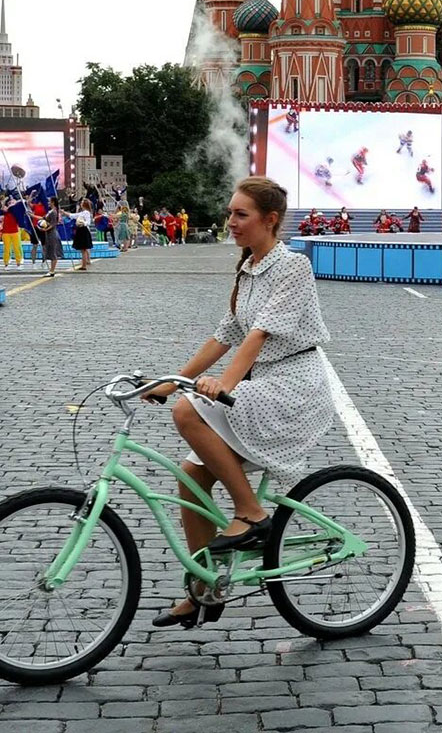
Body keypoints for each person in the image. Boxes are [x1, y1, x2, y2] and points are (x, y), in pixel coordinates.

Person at [144, 177, 336, 629]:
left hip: (294, 385)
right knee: (190, 477)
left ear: (270, 221)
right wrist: (173, 380)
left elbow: (259, 334)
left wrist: (221, 385)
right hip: (264, 383)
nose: (230, 222)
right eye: (230, 213)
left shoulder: (292, 266)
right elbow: (224, 334)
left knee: (189, 412)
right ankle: (205, 589)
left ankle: (251, 514)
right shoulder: (248, 269)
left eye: (241, 214)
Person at [72, 199, 96, 271]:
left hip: (83, 230)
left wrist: (82, 223)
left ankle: (84, 264)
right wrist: (65, 213)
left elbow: (88, 222)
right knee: (84, 249)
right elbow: (74, 215)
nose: (80, 204)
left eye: (82, 203)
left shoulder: (86, 213)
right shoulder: (82, 212)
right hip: (81, 230)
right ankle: (86, 262)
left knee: (84, 249)